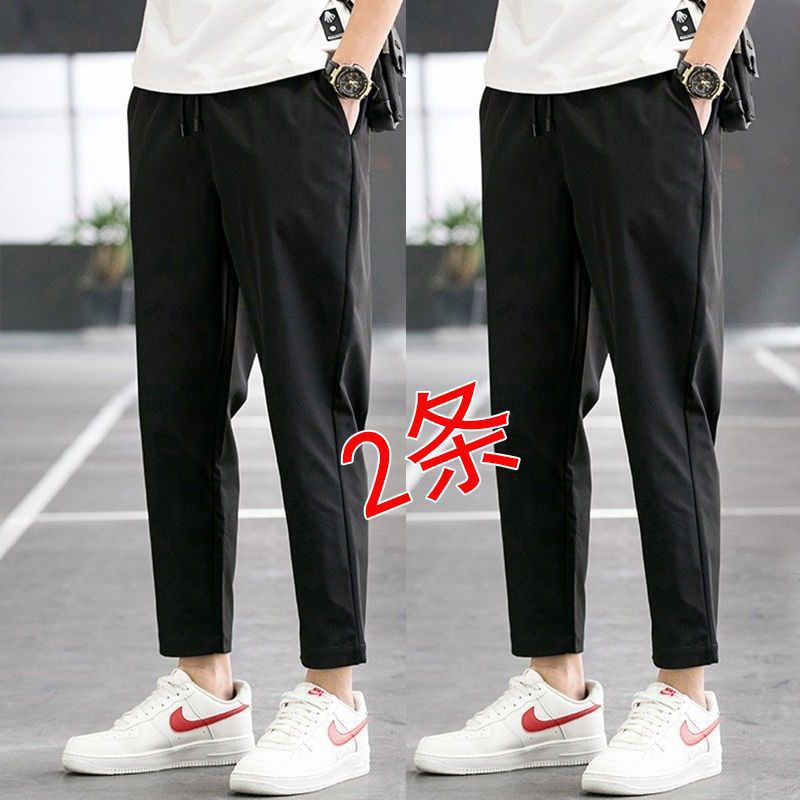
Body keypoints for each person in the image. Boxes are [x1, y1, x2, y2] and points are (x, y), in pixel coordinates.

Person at [414, 0, 755, 795]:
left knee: (664, 400)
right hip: (519, 93)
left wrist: (705, 67)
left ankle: (686, 698)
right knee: (527, 408)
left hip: (648, 79)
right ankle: (554, 691)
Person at [61, 0, 401, 794]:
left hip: (295, 81)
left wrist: (352, 67)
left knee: (314, 403)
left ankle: (334, 699)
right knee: (178, 405)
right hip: (167, 92)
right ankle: (202, 692)